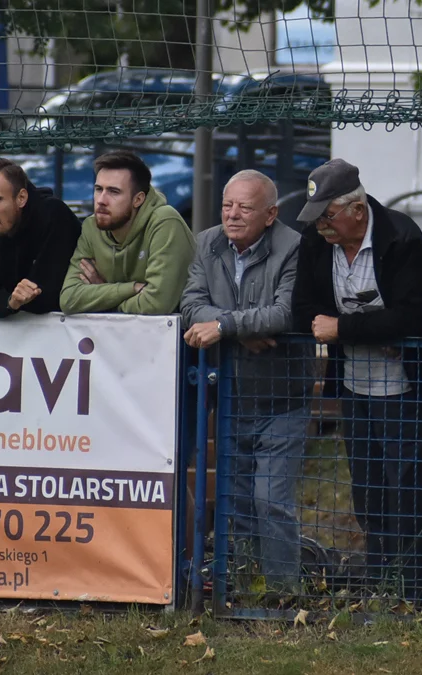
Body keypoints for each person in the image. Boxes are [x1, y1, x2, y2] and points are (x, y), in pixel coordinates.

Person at [292, 159, 422, 597]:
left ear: (356, 210)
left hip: (407, 388)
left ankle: (414, 588)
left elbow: (409, 316)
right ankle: (381, 580)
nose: (321, 225)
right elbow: (304, 310)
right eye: (317, 216)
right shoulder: (316, 241)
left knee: (409, 488)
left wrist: (343, 328)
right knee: (367, 487)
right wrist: (369, 328)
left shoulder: (401, 238)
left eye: (328, 215)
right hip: (354, 385)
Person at [180, 169, 310, 591]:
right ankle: (239, 587)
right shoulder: (206, 242)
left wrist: (224, 327)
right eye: (227, 205)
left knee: (271, 502)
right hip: (230, 395)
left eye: (245, 207)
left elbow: (285, 312)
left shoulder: (294, 248)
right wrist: (236, 328)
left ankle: (281, 595)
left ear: (270, 214)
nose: (232, 215)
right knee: (235, 503)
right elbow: (190, 303)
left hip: (283, 395)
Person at [60, 150, 195, 315]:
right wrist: (130, 289)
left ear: (138, 199)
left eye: (113, 191)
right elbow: (69, 299)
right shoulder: (91, 226)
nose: (101, 200)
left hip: (178, 337)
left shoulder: (164, 222)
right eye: (98, 189)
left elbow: (156, 304)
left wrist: (103, 298)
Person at [0, 158, 82, 316]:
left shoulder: (53, 217)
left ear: (21, 198)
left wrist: (7, 300)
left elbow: (48, 295)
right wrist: (9, 301)